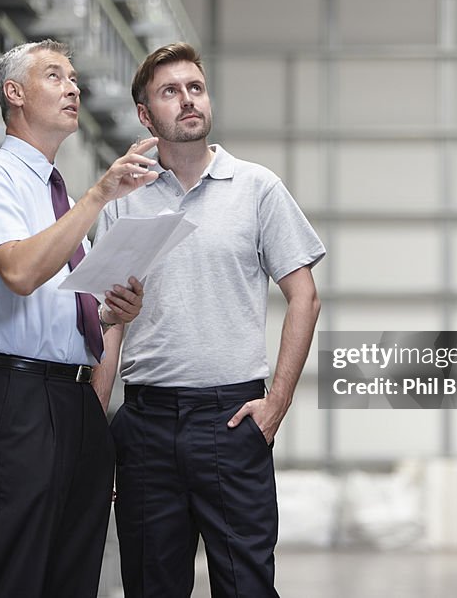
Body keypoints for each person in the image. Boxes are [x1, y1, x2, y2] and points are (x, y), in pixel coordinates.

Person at [94, 42, 325, 598]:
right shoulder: (127, 198)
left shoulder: (257, 188)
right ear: (147, 117)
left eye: (195, 88)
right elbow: (110, 323)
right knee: (151, 586)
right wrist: (92, 427)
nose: (188, 100)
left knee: (246, 585)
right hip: (145, 425)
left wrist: (277, 403)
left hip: (230, 420)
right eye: (170, 92)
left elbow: (305, 297)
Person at [0, 39, 159, 598]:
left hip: (76, 401)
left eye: (73, 78)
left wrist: (114, 316)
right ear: (13, 94)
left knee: (74, 575)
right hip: (16, 398)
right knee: (15, 572)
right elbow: (18, 271)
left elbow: (66, 312)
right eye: (55, 76)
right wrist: (98, 195)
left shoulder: (59, 203)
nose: (74, 88)